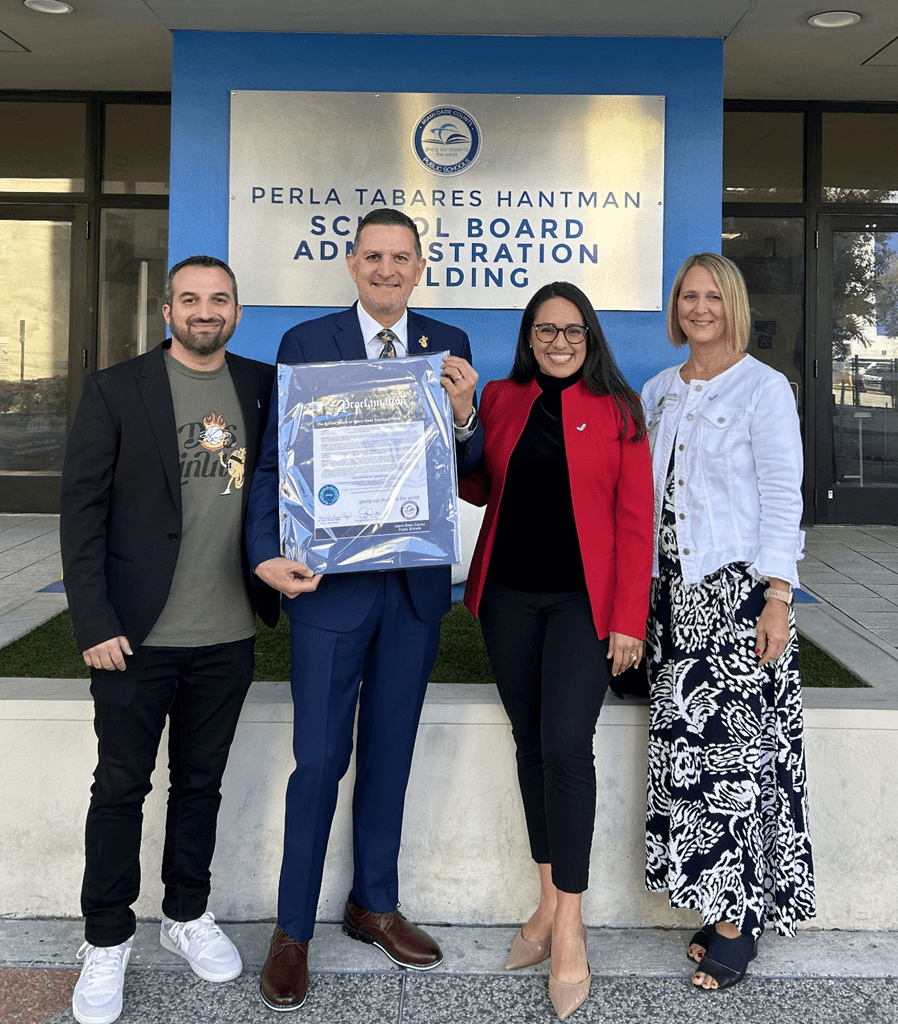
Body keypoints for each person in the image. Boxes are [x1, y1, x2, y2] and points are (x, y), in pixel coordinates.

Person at [246, 208, 483, 1011]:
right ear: (352, 264)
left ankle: (372, 903)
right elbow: (275, 460)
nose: (387, 270)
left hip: (412, 592)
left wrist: (464, 416)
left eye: (401, 258)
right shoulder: (306, 344)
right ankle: (292, 931)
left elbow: (471, 468)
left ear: (421, 266)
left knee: (391, 750)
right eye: (373, 257)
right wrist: (262, 554)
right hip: (329, 590)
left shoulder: (448, 346)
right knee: (318, 761)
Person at [59, 255, 279, 1024]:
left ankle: (185, 914)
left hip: (225, 634)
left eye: (219, 299)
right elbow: (80, 513)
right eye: (190, 299)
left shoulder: (262, 384)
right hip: (134, 637)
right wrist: (94, 622)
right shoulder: (116, 389)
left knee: (200, 784)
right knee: (120, 786)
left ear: (238, 312)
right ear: (166, 310)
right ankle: (107, 937)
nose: (204, 310)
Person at [460, 281, 654, 1020]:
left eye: (572, 329)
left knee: (568, 747)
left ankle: (569, 927)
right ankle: (545, 905)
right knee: (531, 746)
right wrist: (456, 425)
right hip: (507, 598)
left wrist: (628, 618)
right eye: (546, 329)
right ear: (529, 335)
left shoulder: (619, 410)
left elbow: (637, 522)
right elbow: (477, 484)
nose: (559, 340)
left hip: (585, 607)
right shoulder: (506, 398)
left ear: (590, 335)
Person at [642, 252, 816, 992]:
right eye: (689, 296)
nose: (700, 307)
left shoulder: (764, 389)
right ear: (675, 305)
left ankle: (738, 922)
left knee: (737, 765)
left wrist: (779, 593)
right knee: (691, 758)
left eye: (714, 296)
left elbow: (783, 494)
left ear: (734, 305)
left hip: (738, 598)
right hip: (672, 603)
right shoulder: (657, 390)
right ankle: (717, 900)